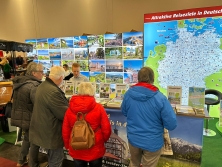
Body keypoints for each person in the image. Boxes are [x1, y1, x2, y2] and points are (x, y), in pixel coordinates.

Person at [121, 67, 177, 167]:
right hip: (152, 142)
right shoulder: (160, 98)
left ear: (138, 78)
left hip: (133, 139)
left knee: (133, 163)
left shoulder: (128, 94)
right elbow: (171, 124)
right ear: (152, 79)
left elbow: (124, 112)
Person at [62, 82, 111, 167]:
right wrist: (102, 141)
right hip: (95, 146)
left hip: (76, 147)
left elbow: (65, 130)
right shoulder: (99, 108)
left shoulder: (70, 109)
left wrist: (67, 145)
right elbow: (106, 129)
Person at [29, 66, 68, 167]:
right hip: (51, 132)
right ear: (60, 78)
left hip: (43, 129)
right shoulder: (53, 91)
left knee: (53, 158)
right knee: (56, 160)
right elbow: (63, 114)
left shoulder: (42, 86)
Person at [10, 62, 44, 167]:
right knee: (34, 141)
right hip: (32, 117)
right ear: (34, 73)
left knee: (27, 138)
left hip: (22, 116)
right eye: (41, 71)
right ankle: (33, 163)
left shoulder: (21, 82)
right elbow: (38, 104)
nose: (43, 74)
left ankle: (21, 160)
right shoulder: (34, 85)